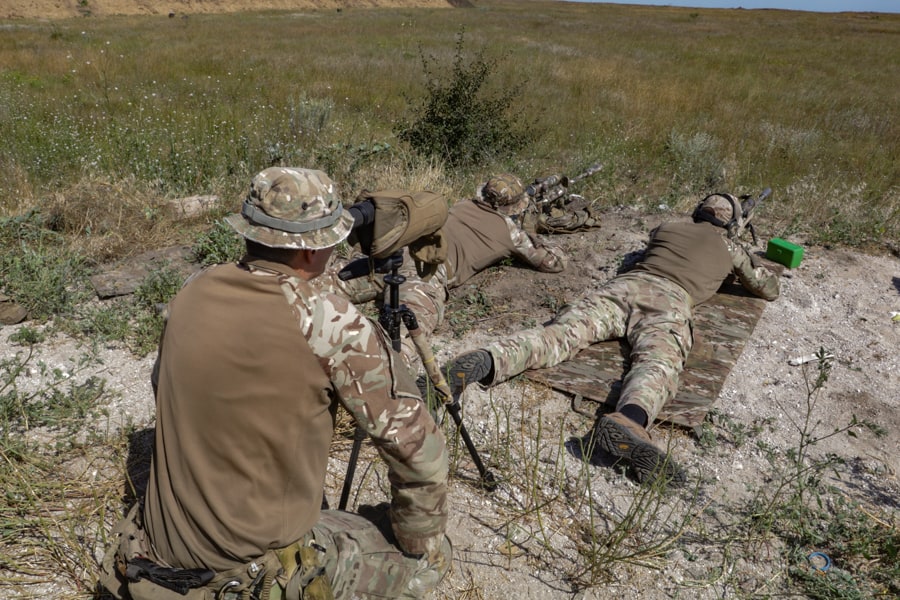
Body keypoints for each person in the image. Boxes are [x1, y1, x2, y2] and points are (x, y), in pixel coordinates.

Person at [99, 167, 450, 600]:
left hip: (154, 551)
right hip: (246, 577)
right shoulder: (332, 325)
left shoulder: (193, 290)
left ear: (250, 232)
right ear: (310, 251)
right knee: (425, 555)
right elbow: (422, 458)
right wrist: (417, 546)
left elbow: (162, 386)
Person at [445, 193, 781, 485]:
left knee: (560, 335)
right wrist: (743, 255)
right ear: (732, 223)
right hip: (669, 301)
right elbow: (767, 289)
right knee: (657, 363)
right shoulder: (730, 247)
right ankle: (630, 421)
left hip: (623, 287)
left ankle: (489, 359)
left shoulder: (667, 228)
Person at [319, 173, 568, 368]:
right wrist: (532, 232)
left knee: (317, 287)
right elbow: (554, 263)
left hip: (394, 250)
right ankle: (371, 385)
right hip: (425, 268)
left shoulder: (462, 204)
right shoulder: (511, 233)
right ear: (515, 207)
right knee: (405, 340)